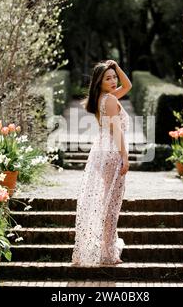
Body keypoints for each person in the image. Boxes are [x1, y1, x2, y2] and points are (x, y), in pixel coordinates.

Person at [71, 60, 132, 266]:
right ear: (99, 82)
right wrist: (125, 156)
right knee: (111, 205)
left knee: (108, 203)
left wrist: (116, 67)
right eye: (108, 78)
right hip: (111, 154)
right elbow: (116, 130)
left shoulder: (102, 99)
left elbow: (128, 86)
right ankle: (107, 253)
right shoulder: (110, 101)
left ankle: (106, 248)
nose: (114, 81)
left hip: (101, 152)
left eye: (114, 77)